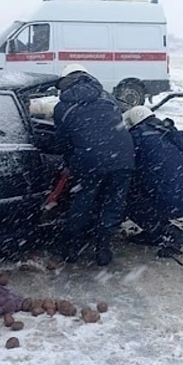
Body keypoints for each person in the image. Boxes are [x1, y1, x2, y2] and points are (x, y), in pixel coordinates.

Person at [53, 64, 135, 266]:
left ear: (65, 83)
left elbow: (62, 141)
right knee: (113, 203)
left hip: (91, 159)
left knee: (83, 201)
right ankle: (103, 248)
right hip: (123, 157)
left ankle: (72, 248)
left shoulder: (62, 106)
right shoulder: (107, 97)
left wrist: (72, 159)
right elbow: (118, 120)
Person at [123, 106, 183, 257]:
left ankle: (175, 236)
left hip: (172, 197)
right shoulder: (165, 133)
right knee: (149, 191)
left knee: (128, 201)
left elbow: (126, 163)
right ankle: (154, 232)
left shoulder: (139, 136)